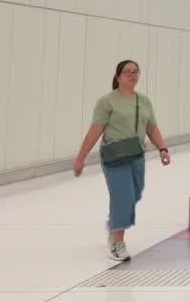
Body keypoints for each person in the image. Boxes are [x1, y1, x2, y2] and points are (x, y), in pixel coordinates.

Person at [73, 60, 170, 262]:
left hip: (136, 154)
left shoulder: (143, 100)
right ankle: (117, 242)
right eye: (127, 72)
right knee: (123, 198)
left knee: (135, 194)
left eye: (135, 72)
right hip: (114, 156)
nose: (132, 75)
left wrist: (162, 148)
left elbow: (151, 127)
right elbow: (95, 131)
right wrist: (81, 158)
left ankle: (114, 223)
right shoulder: (106, 102)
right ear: (118, 77)